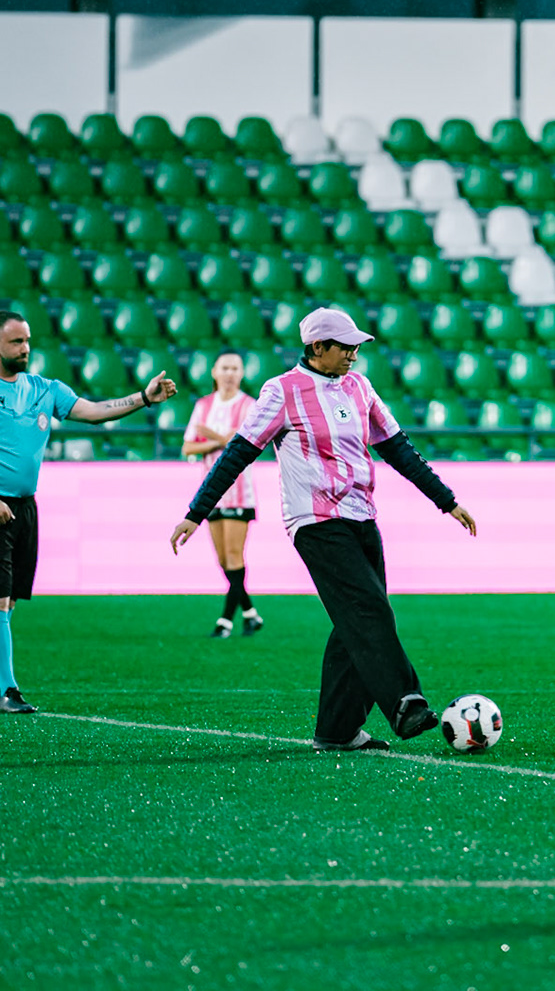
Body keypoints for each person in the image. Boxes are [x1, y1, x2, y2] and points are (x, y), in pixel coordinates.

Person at [168, 307, 477, 752]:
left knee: (354, 620)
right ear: (317, 348)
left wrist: (446, 499)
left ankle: (337, 731)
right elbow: (238, 453)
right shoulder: (281, 392)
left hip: (362, 516)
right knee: (369, 609)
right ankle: (405, 701)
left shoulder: (360, 387)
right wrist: (197, 512)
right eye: (345, 346)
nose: (353, 353)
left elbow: (398, 448)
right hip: (314, 522)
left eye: (356, 345)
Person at [0, 309, 176, 714]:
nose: (26, 348)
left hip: (24, 507)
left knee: (8, 602)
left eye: (28, 340)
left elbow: (95, 411)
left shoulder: (42, 388)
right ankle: (9, 691)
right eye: (16, 342)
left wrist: (143, 398)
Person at [182, 349, 263, 638]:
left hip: (239, 491)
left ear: (242, 373)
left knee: (234, 555)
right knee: (223, 559)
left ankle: (226, 621)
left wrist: (212, 436)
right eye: (225, 368)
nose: (230, 374)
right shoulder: (203, 405)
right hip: (211, 492)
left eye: (235, 368)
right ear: (214, 372)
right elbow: (188, 447)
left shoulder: (250, 406)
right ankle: (251, 613)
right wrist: (223, 440)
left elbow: (247, 444)